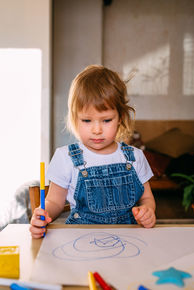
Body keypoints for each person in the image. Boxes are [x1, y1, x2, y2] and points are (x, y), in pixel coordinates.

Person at [30, 65, 156, 238]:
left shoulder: (134, 157)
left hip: (129, 242)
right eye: (87, 120)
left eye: (106, 120)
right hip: (82, 242)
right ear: (74, 118)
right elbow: (54, 202)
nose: (97, 130)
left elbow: (147, 198)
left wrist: (147, 211)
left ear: (120, 118)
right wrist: (44, 214)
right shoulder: (65, 157)